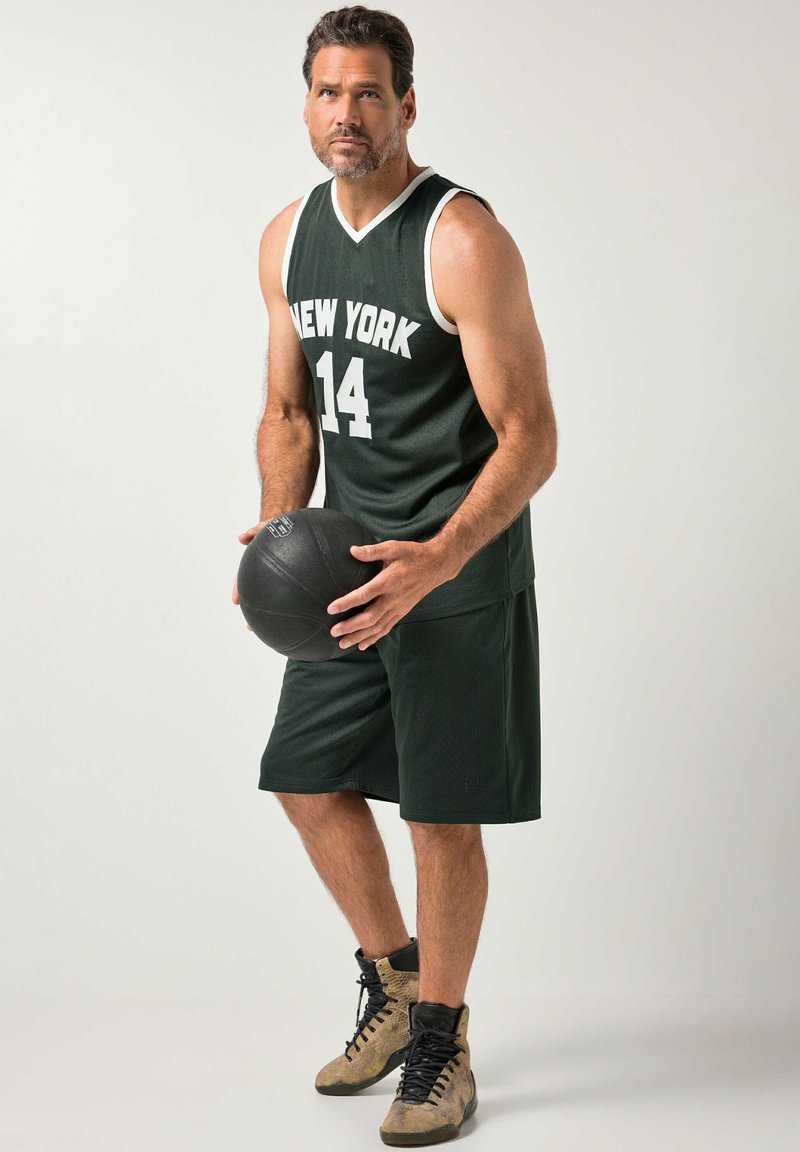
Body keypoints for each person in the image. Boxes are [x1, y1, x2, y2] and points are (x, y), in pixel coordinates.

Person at [232, 6, 557, 1145]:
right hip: (342, 571)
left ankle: (441, 1045)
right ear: (306, 104)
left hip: (453, 570)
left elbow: (530, 438)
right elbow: (287, 412)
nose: (347, 114)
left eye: (369, 93)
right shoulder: (287, 238)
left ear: (406, 105)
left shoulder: (460, 239)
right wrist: (278, 540)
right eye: (328, 92)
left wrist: (440, 558)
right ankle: (396, 979)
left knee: (437, 818)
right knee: (305, 779)